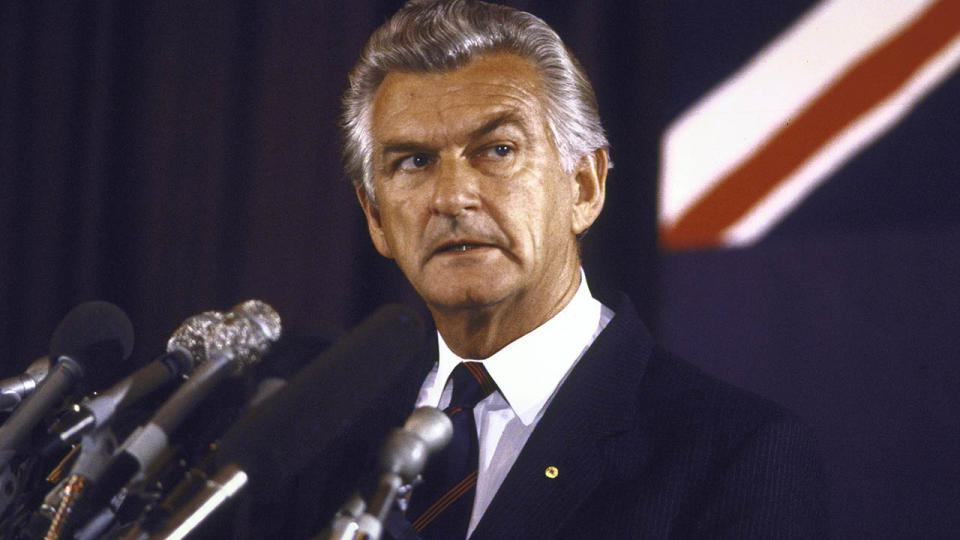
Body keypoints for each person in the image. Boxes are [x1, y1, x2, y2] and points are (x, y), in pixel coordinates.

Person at [257, 1, 828, 538]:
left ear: (584, 187)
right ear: (376, 217)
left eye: (498, 150)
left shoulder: (734, 454)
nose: (452, 197)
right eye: (414, 161)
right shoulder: (315, 439)